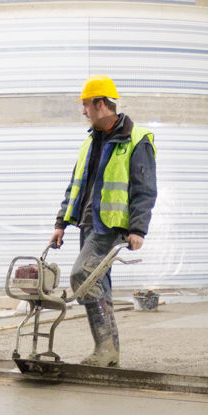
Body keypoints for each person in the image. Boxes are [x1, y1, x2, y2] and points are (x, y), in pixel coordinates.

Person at [48, 76, 155, 367]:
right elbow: (75, 186)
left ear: (100, 103)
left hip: (110, 226)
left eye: (86, 105)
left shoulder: (136, 139)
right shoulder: (90, 141)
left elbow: (144, 188)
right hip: (88, 225)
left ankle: (105, 349)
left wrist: (138, 229)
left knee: (83, 276)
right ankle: (108, 352)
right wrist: (61, 224)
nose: (83, 111)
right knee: (99, 285)